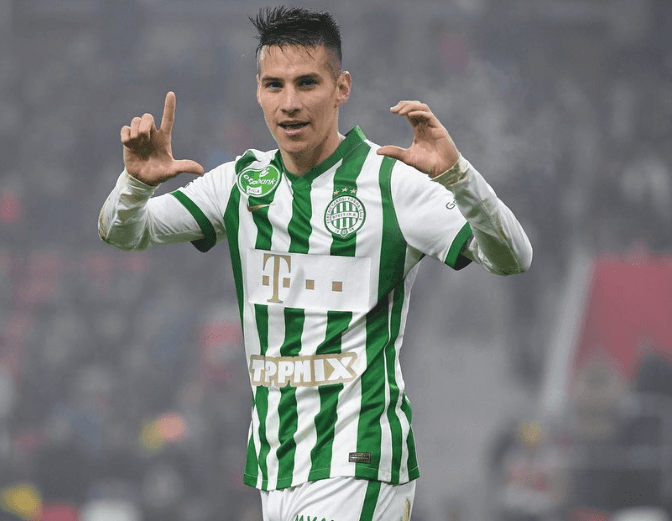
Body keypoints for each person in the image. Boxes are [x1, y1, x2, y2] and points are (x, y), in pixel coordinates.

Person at [98, 6, 533, 521]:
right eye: (274, 85)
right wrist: (135, 184)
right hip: (276, 465)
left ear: (341, 88)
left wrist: (458, 176)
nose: (290, 103)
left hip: (359, 456)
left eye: (307, 83)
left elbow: (512, 258)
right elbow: (125, 231)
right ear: (258, 91)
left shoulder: (392, 183)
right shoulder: (241, 183)